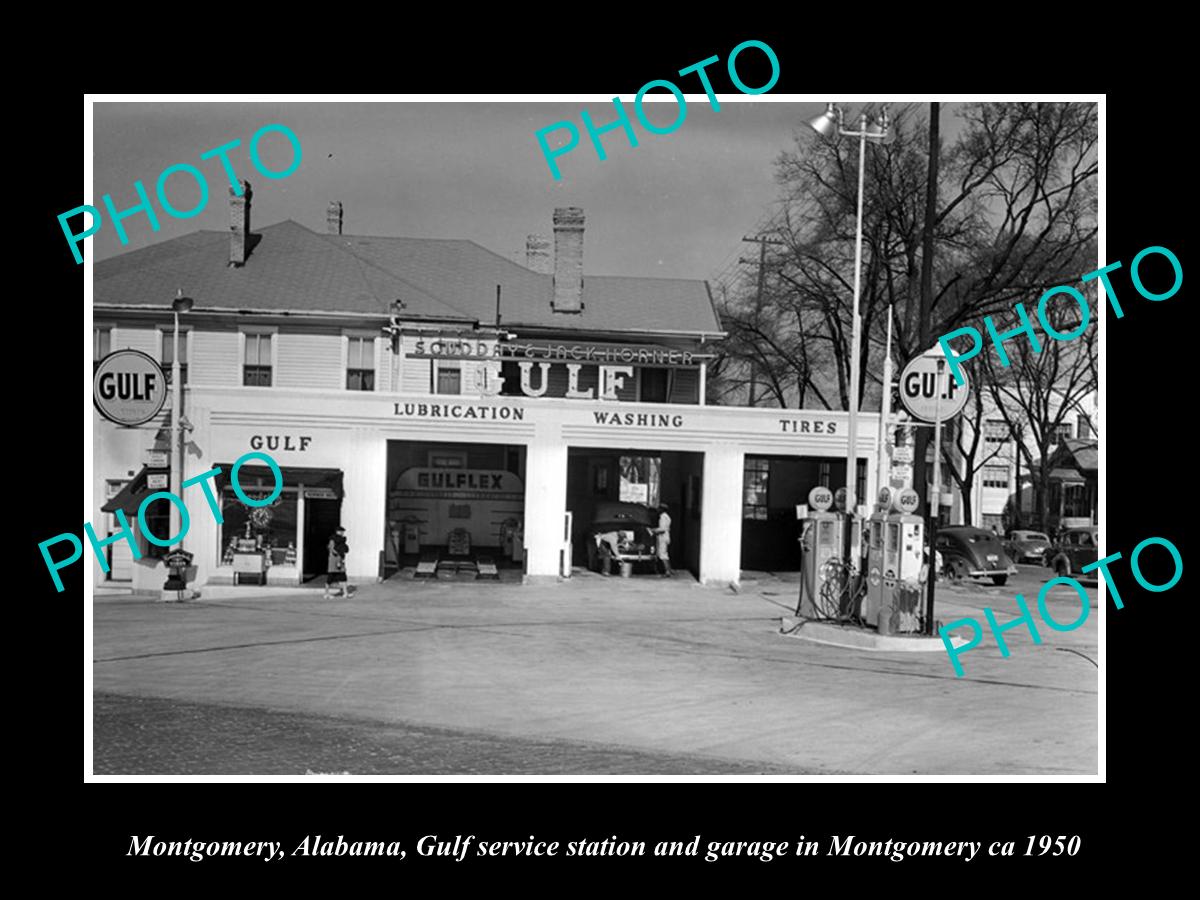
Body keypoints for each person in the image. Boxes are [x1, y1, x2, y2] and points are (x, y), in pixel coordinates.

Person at [324, 526, 349, 598]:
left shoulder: (342, 540)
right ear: (337, 531)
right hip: (333, 561)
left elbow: (345, 548)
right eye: (341, 531)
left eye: (343, 531)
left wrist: (341, 557)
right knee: (330, 577)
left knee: (343, 576)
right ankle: (326, 593)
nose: (342, 533)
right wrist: (338, 555)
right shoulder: (332, 539)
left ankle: (345, 593)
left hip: (340, 560)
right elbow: (332, 549)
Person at [652, 504, 673, 578]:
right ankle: (669, 570)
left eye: (659, 509)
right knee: (664, 554)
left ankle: (667, 571)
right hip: (665, 537)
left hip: (663, 537)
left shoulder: (663, 517)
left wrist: (654, 530)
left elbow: (662, 529)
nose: (657, 510)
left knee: (662, 555)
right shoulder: (666, 516)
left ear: (662, 509)